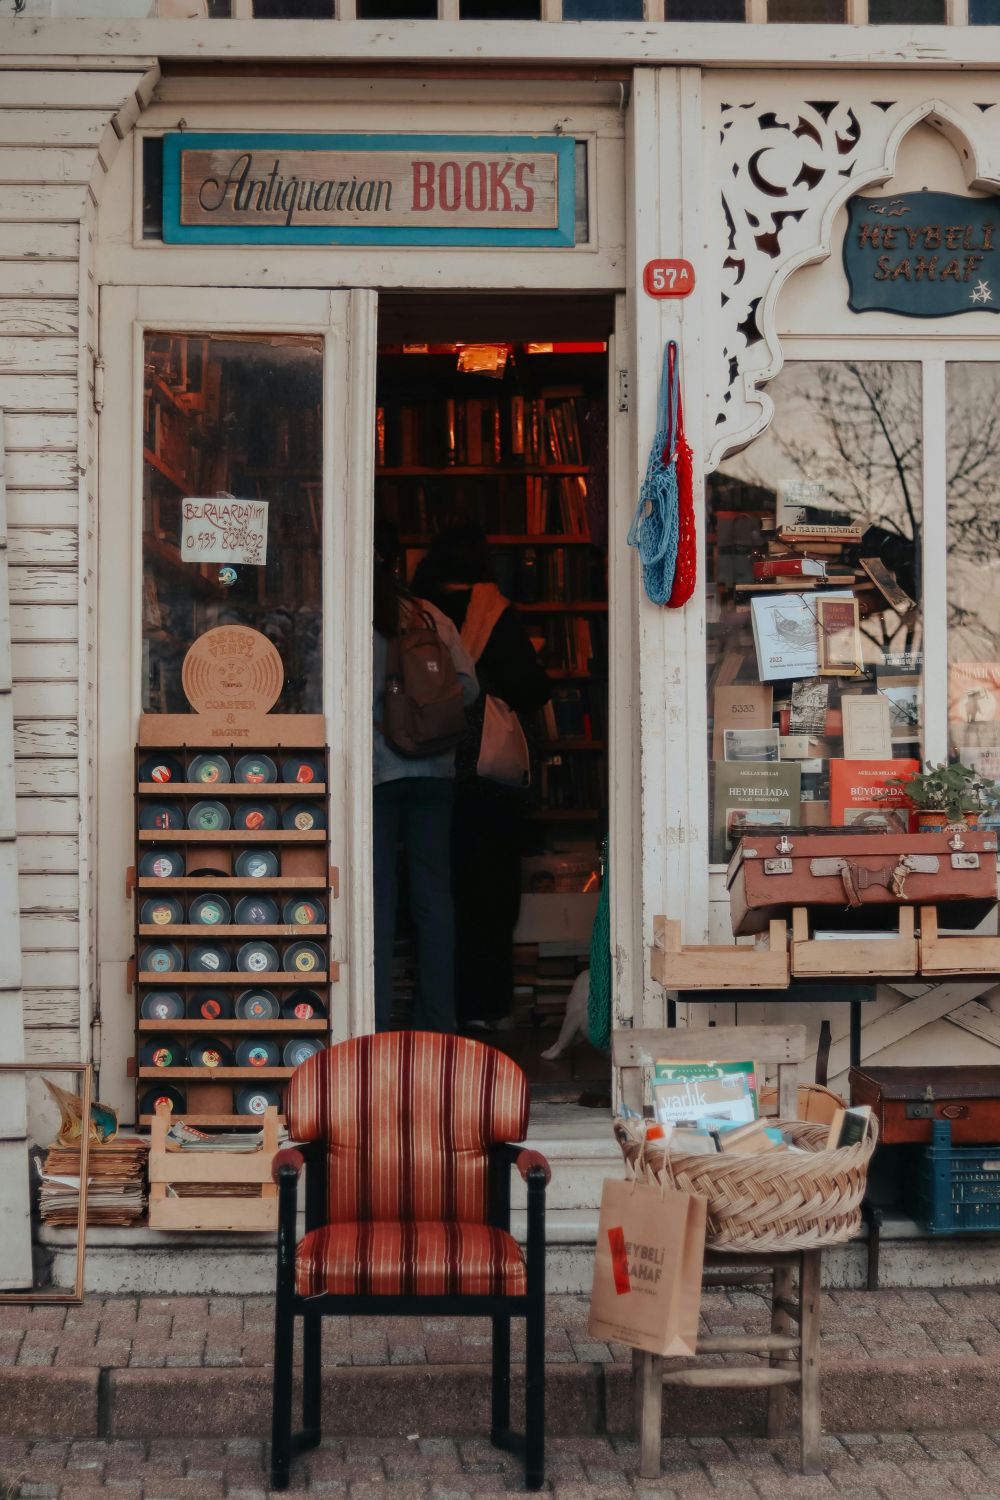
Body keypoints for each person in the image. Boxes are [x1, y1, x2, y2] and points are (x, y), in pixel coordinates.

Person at [412, 525, 551, 1031]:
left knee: (435, 888)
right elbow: (533, 687)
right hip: (489, 772)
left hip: (431, 763)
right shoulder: (496, 614)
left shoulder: (415, 609)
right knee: (492, 892)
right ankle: (486, 1005)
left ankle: (435, 1007)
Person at [372, 523, 479, 1033]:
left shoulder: (352, 618)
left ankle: (369, 1021)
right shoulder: (431, 616)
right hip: (435, 771)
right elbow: (470, 689)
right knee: (434, 900)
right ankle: (439, 1023)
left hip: (376, 774)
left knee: (378, 900)